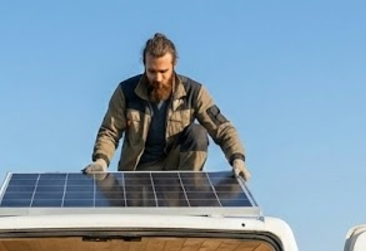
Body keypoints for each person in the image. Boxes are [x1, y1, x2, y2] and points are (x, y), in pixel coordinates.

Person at [83, 33, 251, 181]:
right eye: (152, 71)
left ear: (174, 64)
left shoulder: (194, 92)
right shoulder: (126, 92)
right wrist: (101, 160)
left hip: (178, 170)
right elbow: (110, 131)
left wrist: (237, 159)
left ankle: (188, 191)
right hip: (138, 173)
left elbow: (223, 129)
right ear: (144, 65)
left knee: (197, 133)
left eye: (163, 71)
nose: (157, 78)